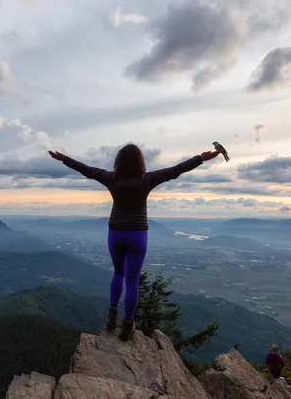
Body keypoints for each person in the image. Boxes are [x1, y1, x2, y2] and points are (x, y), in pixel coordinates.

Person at [48, 144, 221, 341]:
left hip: (116, 233)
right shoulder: (146, 180)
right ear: (140, 162)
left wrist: (64, 159)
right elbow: (175, 170)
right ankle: (127, 325)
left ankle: (112, 318)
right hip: (137, 235)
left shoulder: (111, 179)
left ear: (118, 162)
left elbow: (87, 170)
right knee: (132, 281)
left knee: (118, 273)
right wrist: (200, 158)